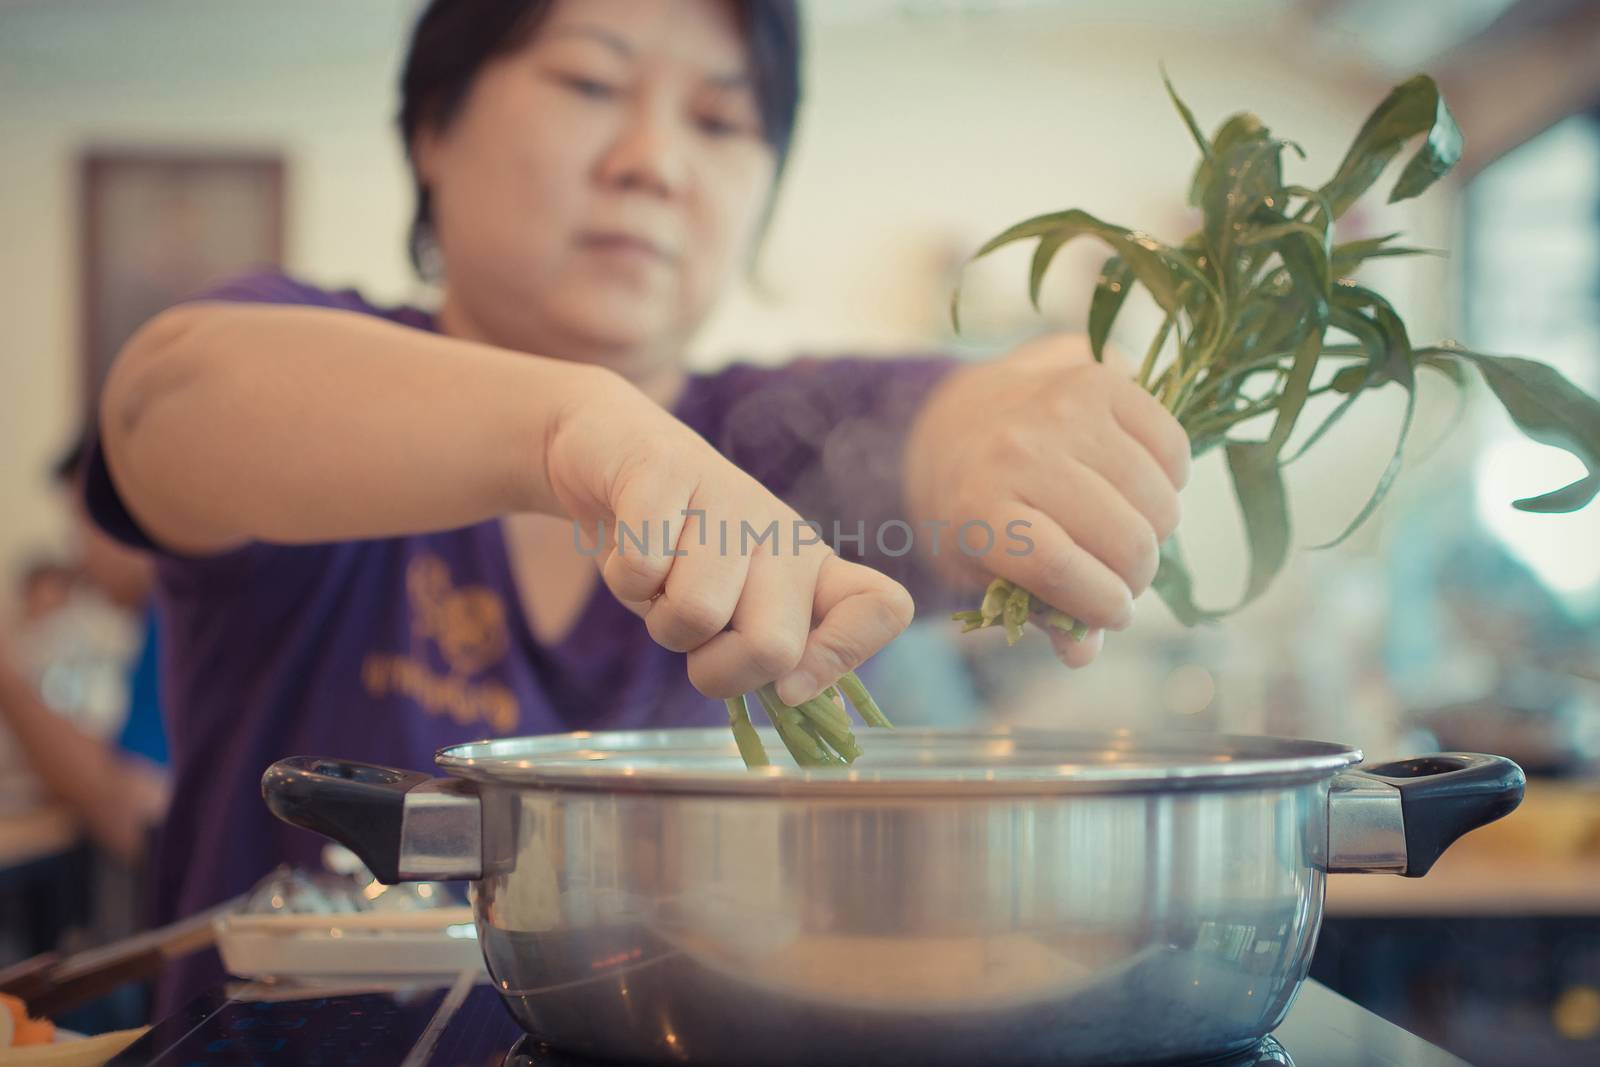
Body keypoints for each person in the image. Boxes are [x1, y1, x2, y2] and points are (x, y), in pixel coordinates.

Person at [84, 0, 1190, 1012]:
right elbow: (163, 402)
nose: (654, 162)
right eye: (589, 86)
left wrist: (1006, 427)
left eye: (720, 120)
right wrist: (574, 429)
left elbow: (935, 425)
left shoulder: (780, 436)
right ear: (434, 128)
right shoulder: (318, 372)